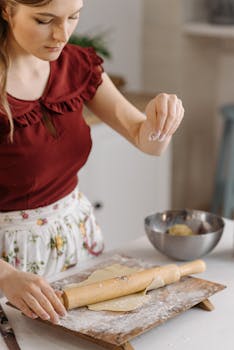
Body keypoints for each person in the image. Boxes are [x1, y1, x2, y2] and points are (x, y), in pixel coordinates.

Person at [0, 0, 184, 325]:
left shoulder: (77, 64)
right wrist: (5, 277)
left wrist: (161, 120)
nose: (62, 34)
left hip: (75, 242)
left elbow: (146, 140)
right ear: (6, 8)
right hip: (8, 264)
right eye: (44, 20)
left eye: (73, 17)